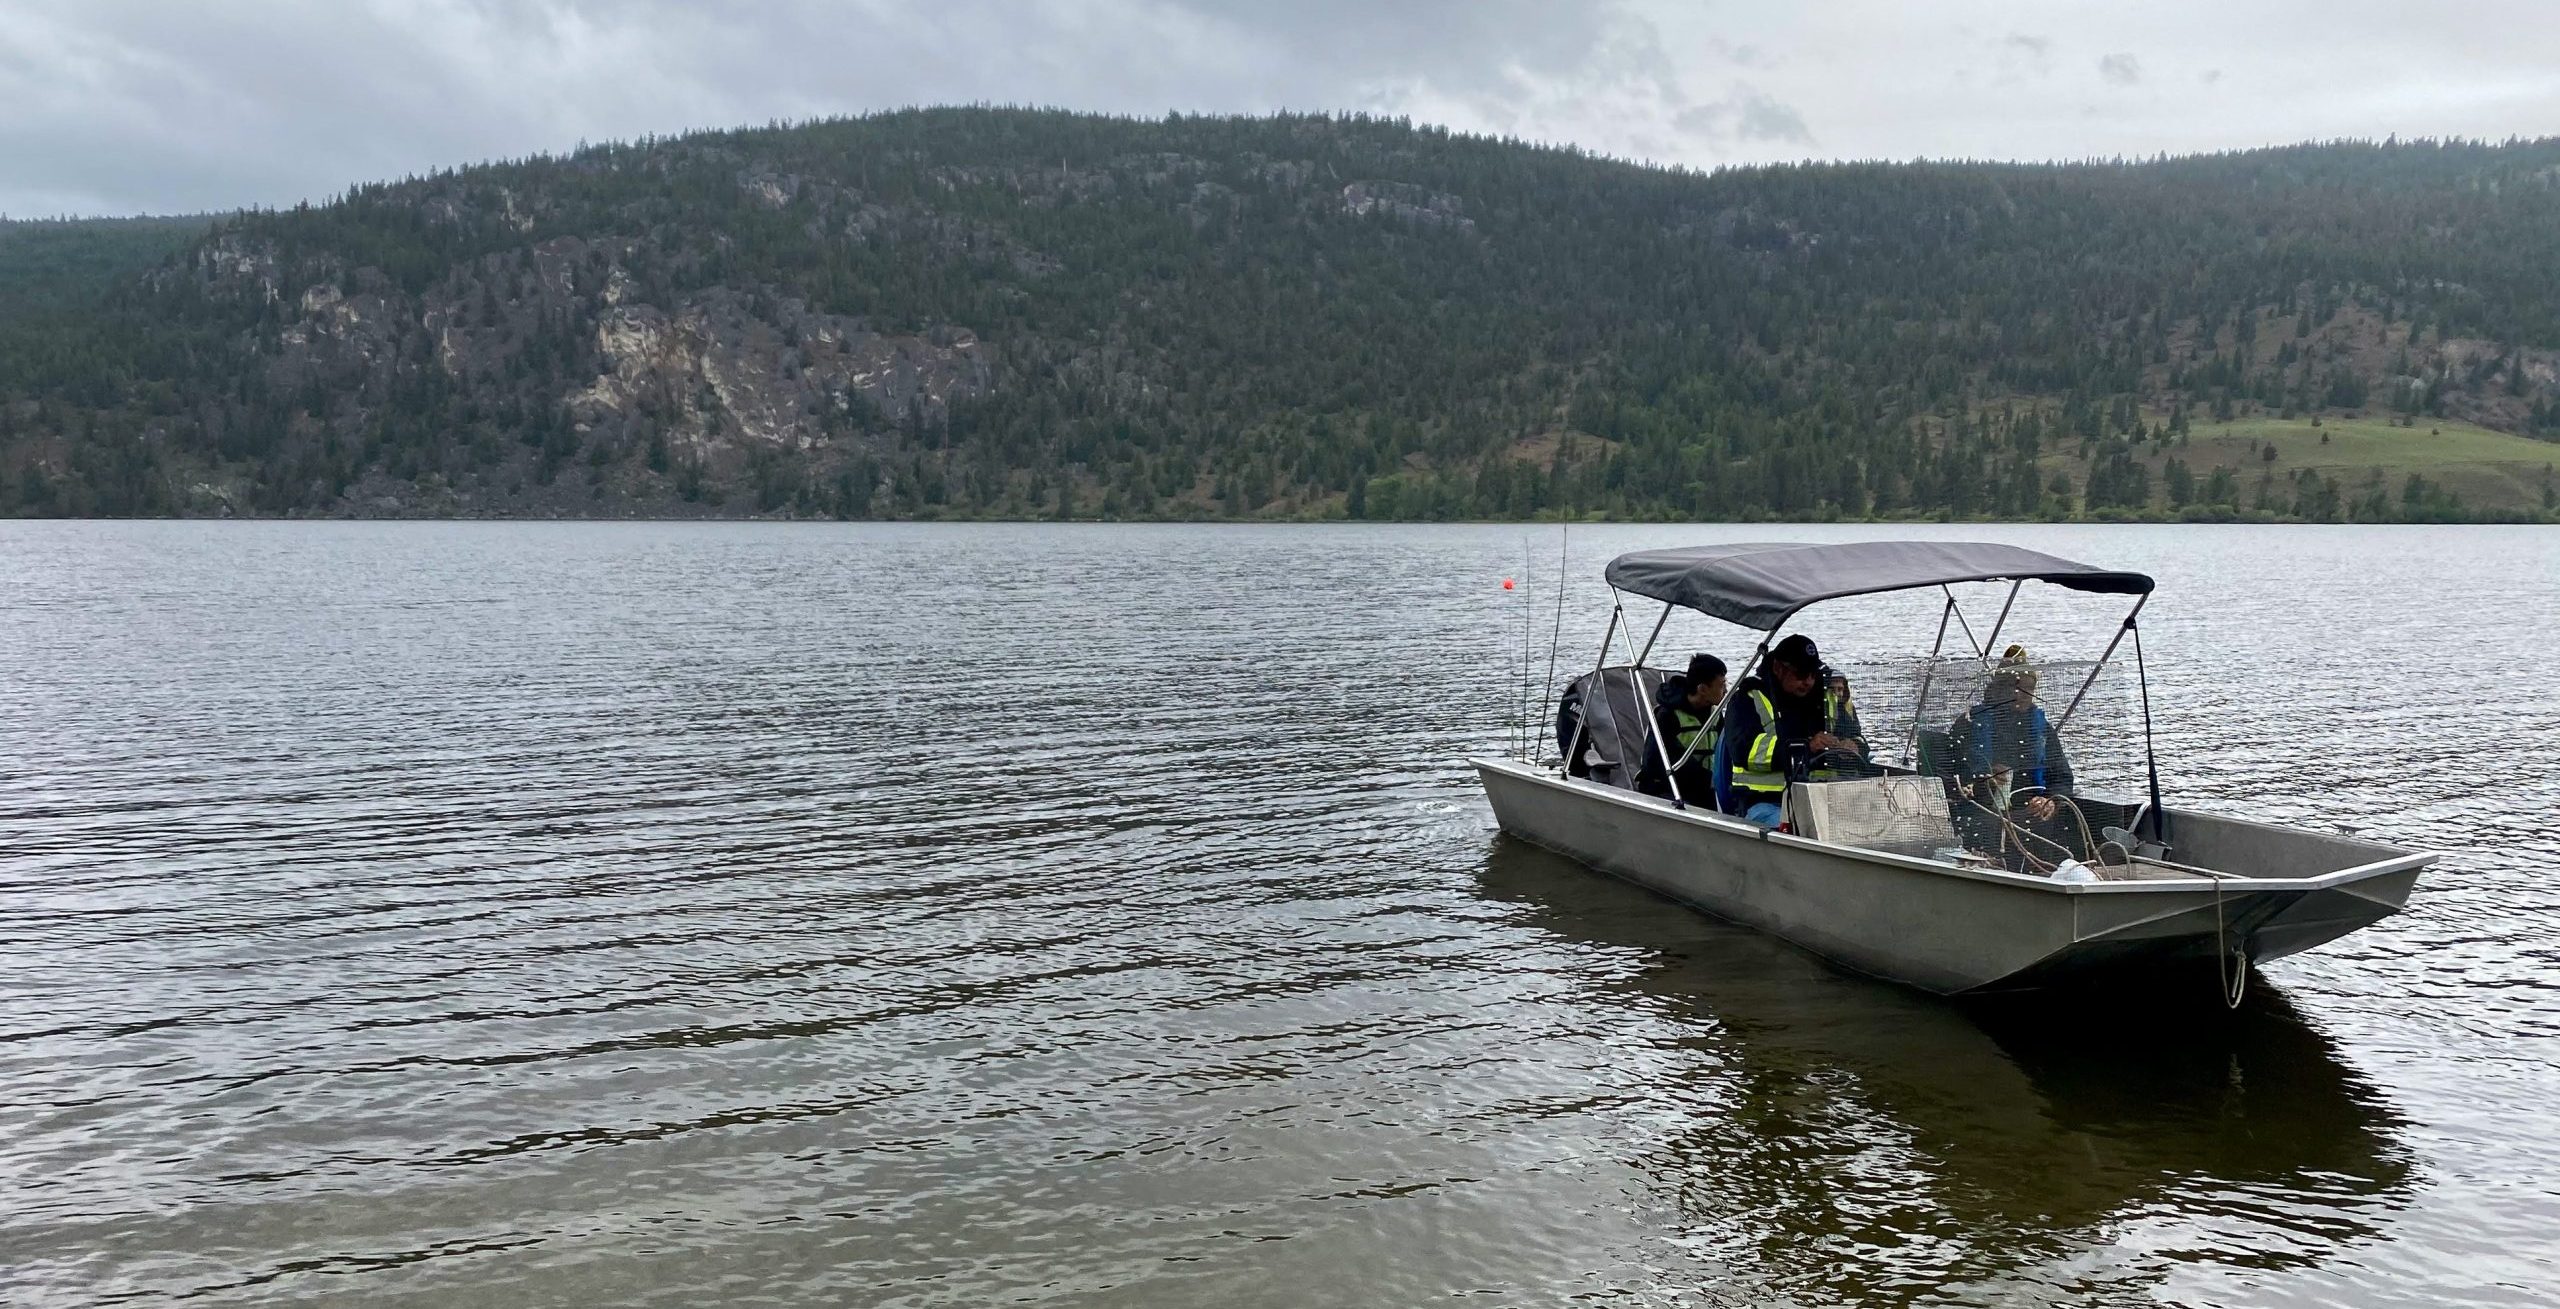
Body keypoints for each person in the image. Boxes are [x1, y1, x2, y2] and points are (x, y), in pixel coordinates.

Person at [1951, 650, 2079, 865]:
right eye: (2014, 687)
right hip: (1981, 810)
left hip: (2031, 808)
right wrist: (1984, 780)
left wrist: (2050, 800)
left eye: (2027, 689)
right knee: (2003, 824)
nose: (2021, 695)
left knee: (2059, 820)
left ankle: (2045, 873)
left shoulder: (2042, 730)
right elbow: (1950, 776)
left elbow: (2062, 777)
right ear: (1998, 689)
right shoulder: (1969, 724)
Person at [1715, 634, 1842, 827]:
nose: (1808, 682)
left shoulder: (1827, 697)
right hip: (1765, 802)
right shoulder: (1748, 698)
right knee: (1800, 829)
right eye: (1800, 675)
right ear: (1778, 668)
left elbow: (1854, 734)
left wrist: (1853, 745)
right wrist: (1806, 747)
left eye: (1812, 674)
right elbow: (1744, 751)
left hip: (1825, 800)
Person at [1636, 653, 1727, 803]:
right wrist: (1707, 779)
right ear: (1703, 689)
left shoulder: (1715, 714)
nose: (1726, 690)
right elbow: (1655, 762)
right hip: (1669, 790)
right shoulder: (1667, 715)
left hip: (1705, 787)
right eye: (1721, 685)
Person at [1811, 666, 1874, 779]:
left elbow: (1860, 738)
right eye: (1832, 689)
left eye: (1840, 689)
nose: (1837, 694)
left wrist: (1855, 745)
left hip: (1847, 771)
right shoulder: (1815, 710)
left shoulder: (1848, 709)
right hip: (1819, 774)